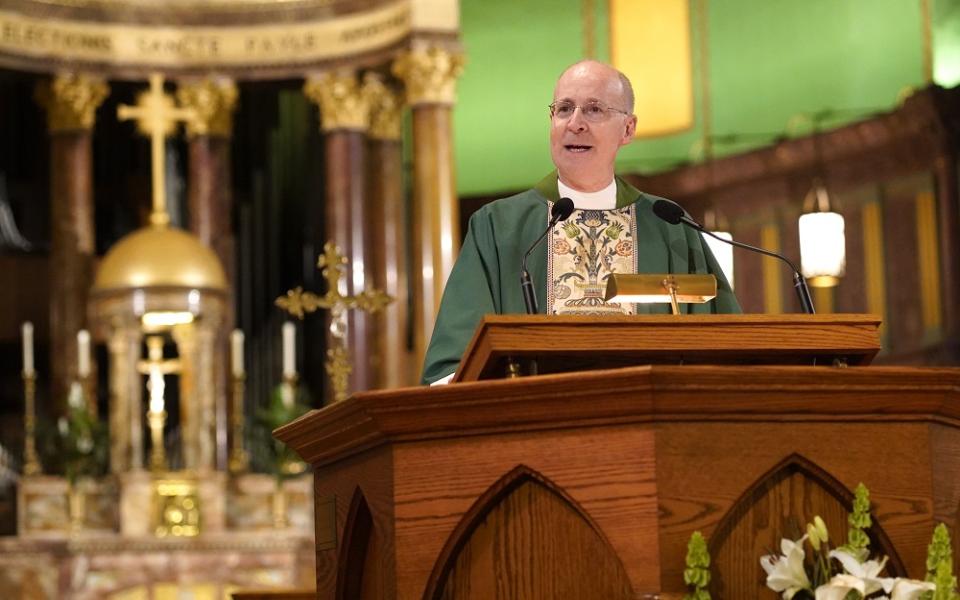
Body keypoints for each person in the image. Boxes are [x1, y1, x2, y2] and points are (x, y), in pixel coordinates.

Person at [421, 60, 740, 384]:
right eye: (564, 109)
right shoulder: (498, 227)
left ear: (628, 129)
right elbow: (454, 368)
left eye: (594, 110)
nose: (575, 123)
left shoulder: (669, 226)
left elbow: (727, 353)